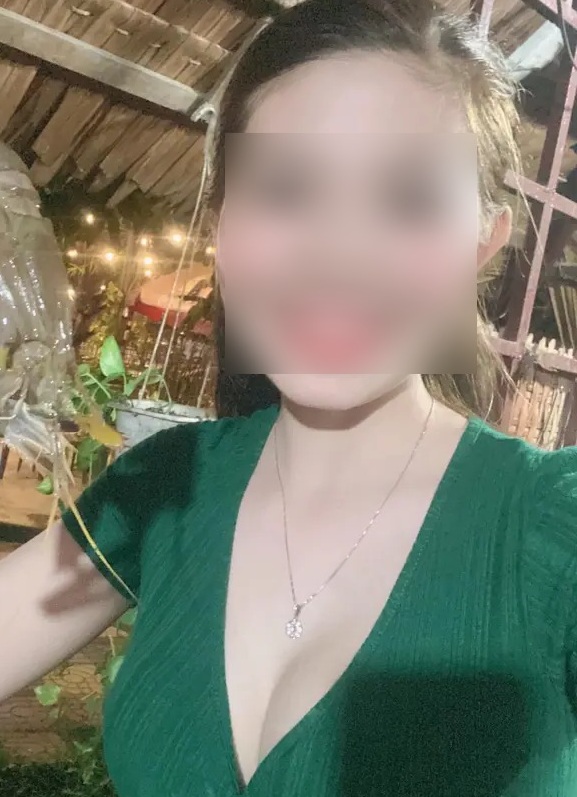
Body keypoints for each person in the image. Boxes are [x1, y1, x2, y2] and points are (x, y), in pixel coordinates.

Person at [1, 2, 576, 795]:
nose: (337, 254)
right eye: (284, 190)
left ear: (483, 242)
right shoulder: (165, 485)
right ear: (222, 225)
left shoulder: (551, 525)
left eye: (407, 201)